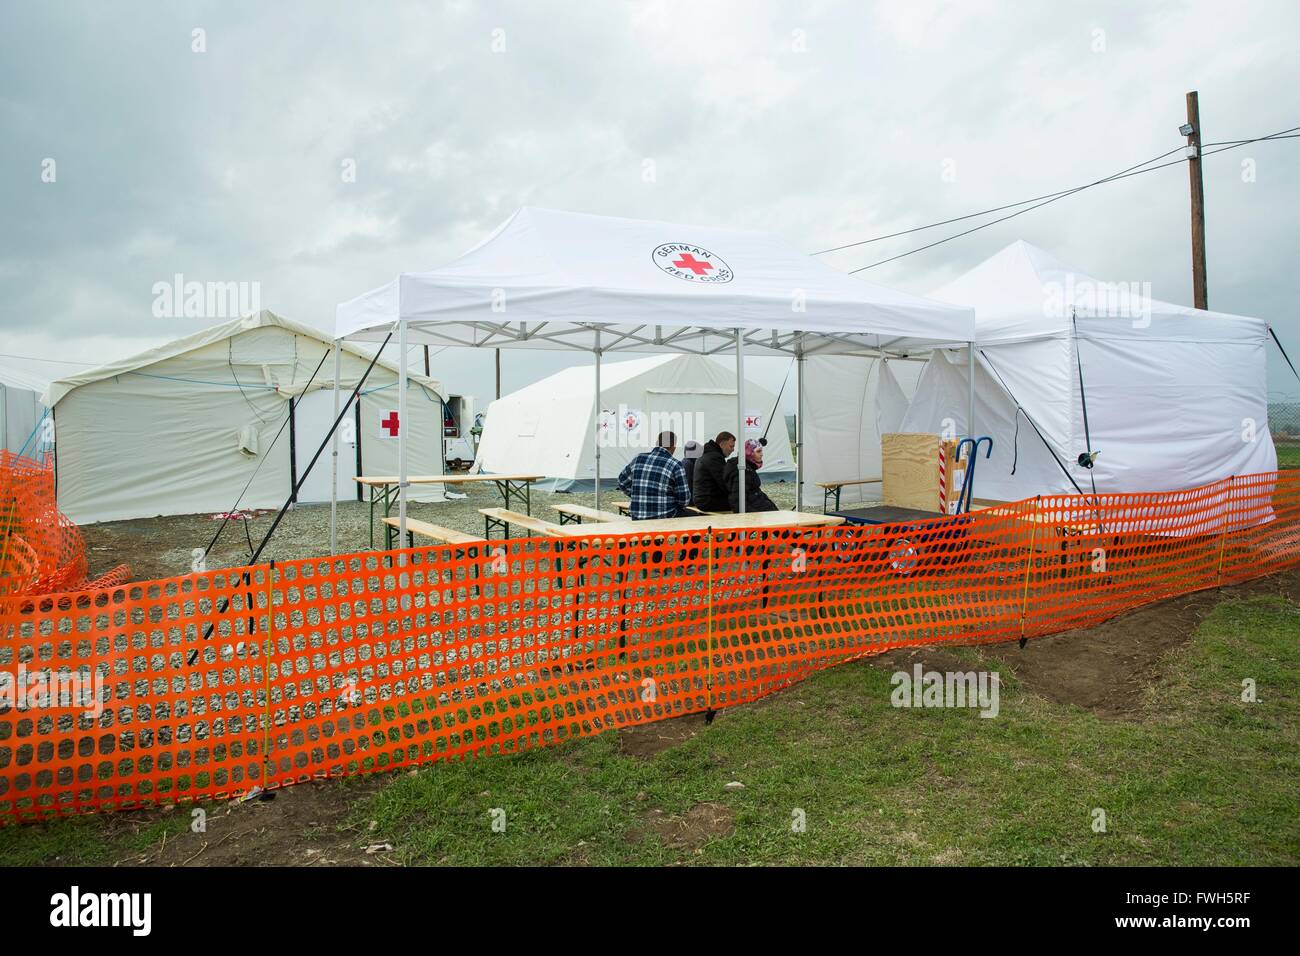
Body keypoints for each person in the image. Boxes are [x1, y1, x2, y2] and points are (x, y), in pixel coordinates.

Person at [618, 430, 691, 520]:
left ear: (657, 443)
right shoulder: (675, 465)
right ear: (674, 447)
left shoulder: (638, 458)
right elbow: (684, 500)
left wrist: (638, 495)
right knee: (698, 518)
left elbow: (621, 482)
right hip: (665, 517)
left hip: (637, 518)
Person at [724, 439, 779, 513]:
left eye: (761, 451)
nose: (762, 454)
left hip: (763, 511)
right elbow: (737, 500)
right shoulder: (742, 471)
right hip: (756, 515)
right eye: (758, 451)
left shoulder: (748, 468)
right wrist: (754, 516)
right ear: (749, 453)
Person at [692, 431, 735, 512]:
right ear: (722, 444)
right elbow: (724, 483)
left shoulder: (708, 454)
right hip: (708, 501)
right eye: (731, 446)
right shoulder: (714, 458)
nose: (733, 450)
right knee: (744, 502)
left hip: (702, 499)